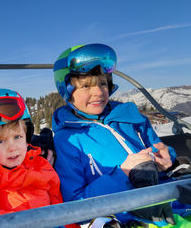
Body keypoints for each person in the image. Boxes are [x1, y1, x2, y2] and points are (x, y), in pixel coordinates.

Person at [52, 43, 191, 227]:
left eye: (103, 83)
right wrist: (124, 174)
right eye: (86, 86)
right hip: (126, 218)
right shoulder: (68, 140)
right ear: (67, 91)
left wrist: (169, 160)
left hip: (170, 205)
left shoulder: (131, 117)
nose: (99, 92)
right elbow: (75, 206)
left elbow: (159, 151)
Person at [0, 88, 78, 227]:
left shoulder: (41, 165)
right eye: (0, 142)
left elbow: (59, 206)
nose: (12, 147)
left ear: (27, 139)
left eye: (17, 137)